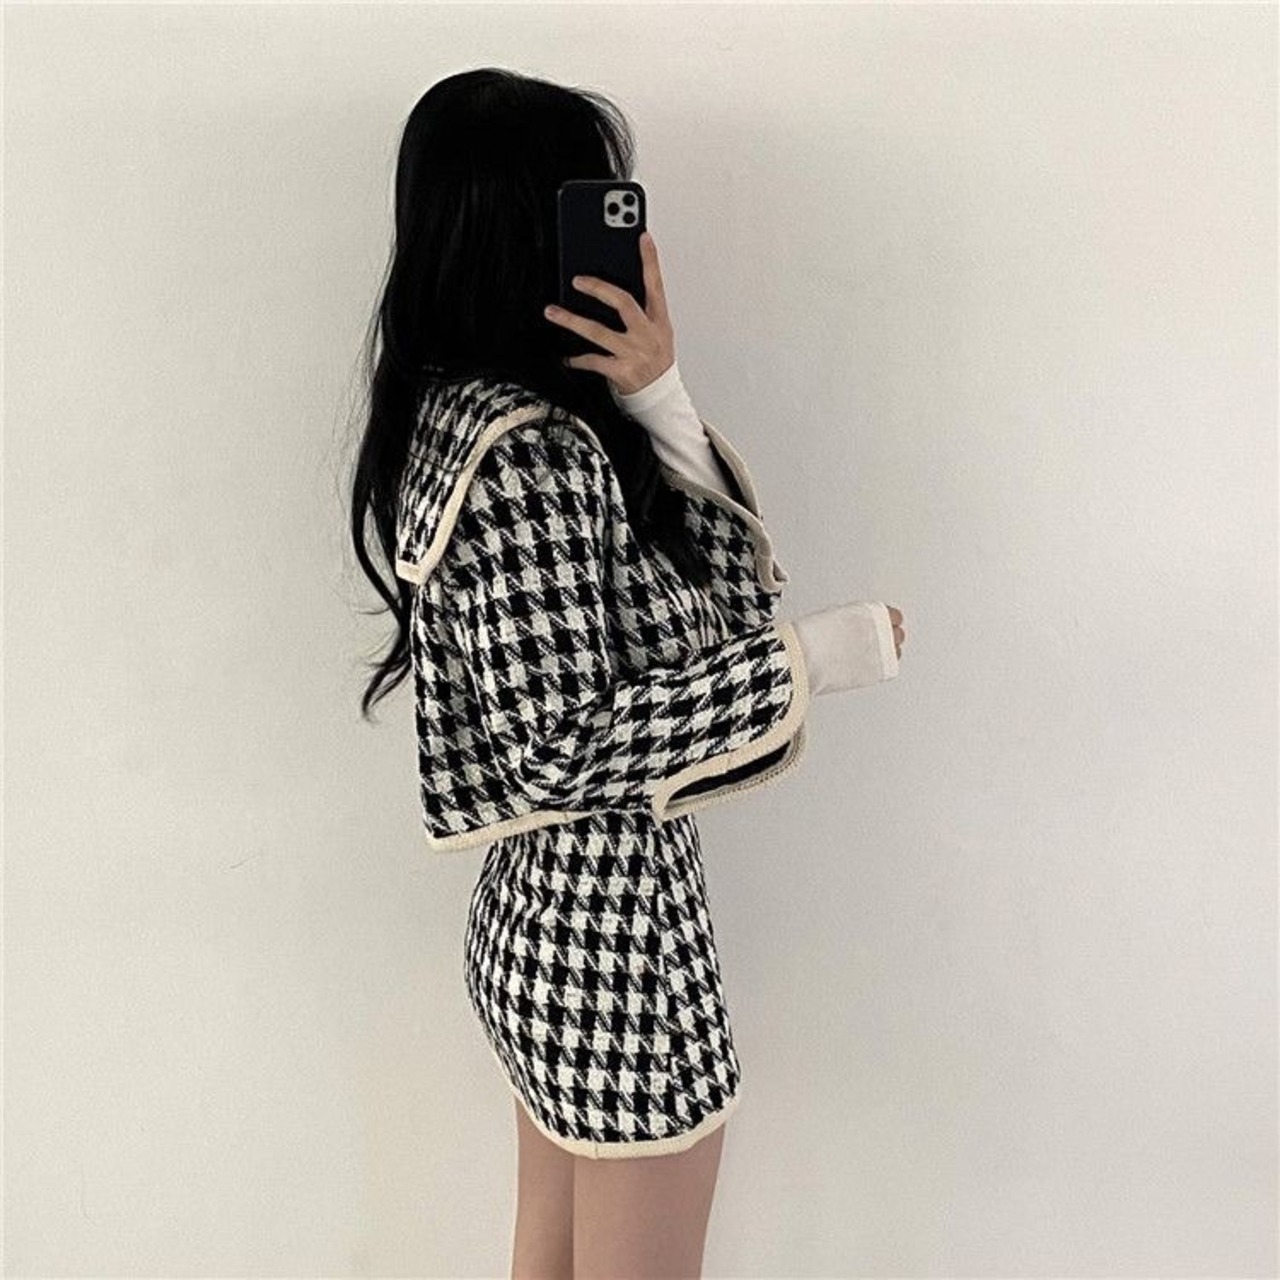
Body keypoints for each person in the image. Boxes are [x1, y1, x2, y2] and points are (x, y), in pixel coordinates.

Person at [350, 67, 907, 1280]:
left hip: (542, 926)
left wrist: (654, 394)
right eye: (588, 202)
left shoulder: (450, 415)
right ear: (525, 232)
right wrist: (811, 659)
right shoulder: (534, 453)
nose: (616, 230)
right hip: (616, 949)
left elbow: (700, 613)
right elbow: (561, 742)